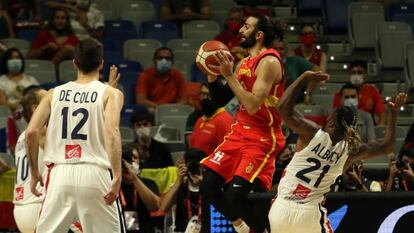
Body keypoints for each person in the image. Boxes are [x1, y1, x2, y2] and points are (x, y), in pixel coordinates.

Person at [268, 70, 406, 233]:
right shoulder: (352, 151)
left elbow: (282, 108)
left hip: (281, 209)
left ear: (332, 123)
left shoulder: (312, 133)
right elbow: (387, 147)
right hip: (309, 214)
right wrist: (394, 114)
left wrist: (304, 77)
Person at [26, 38, 125, 232]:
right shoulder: (111, 94)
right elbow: (112, 132)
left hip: (59, 174)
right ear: (101, 63)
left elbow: (31, 132)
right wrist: (117, 175)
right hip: (95, 173)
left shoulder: (53, 93)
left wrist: (34, 174)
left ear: (74, 63)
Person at [199, 15, 285, 233]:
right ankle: (241, 227)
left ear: (259, 35)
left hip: (263, 137)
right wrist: (212, 75)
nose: (240, 30)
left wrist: (229, 76)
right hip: (239, 132)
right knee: (208, 187)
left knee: (234, 195)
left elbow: (253, 105)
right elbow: (220, 100)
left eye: (246, 27)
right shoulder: (243, 63)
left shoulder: (270, 62)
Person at [13, 88, 84, 233]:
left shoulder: (22, 136)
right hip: (39, 204)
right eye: (48, 98)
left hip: (21, 207)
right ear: (36, 108)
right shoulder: (43, 131)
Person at [160, 148, 208, 232]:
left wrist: (206, 183)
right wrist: (179, 180)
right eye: (191, 166)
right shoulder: (178, 187)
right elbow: (164, 207)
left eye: (197, 167)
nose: (194, 170)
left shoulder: (210, 188)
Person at [121, 142, 160, 233]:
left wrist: (134, 178)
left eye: (134, 158)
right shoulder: (113, 185)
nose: (131, 161)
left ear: (140, 161)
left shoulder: (148, 183)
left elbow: (154, 207)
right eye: (128, 158)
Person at [332, 60, 386, 125]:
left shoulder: (373, 91)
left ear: (365, 74)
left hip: (368, 127)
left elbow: (382, 115)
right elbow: (335, 115)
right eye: (353, 72)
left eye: (359, 72)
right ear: (350, 74)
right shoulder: (341, 91)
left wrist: (378, 131)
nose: (356, 75)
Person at [135, 47, 187, 113]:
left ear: (172, 62)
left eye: (167, 58)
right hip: (154, 110)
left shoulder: (178, 75)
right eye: (160, 58)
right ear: (154, 60)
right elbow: (141, 101)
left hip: (172, 110)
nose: (164, 61)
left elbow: (184, 100)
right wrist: (161, 108)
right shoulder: (145, 75)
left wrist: (172, 109)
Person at [189, 83, 234, 155]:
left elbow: (227, 153)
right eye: (203, 94)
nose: (205, 98)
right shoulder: (200, 120)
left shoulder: (224, 121)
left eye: (209, 95)